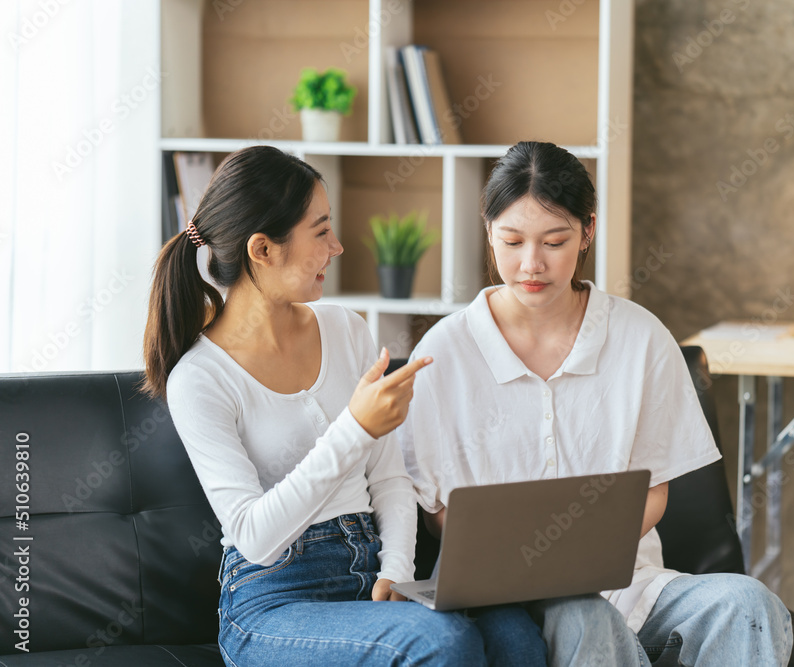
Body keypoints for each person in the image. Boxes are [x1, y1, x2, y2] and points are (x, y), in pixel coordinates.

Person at [142, 145, 546, 667]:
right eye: (320, 230)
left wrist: (396, 568)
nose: (336, 247)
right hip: (274, 597)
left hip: (368, 569)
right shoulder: (199, 377)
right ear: (263, 249)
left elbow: (389, 477)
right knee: (442, 643)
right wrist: (353, 427)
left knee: (515, 636)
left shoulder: (345, 328)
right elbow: (256, 538)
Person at [398, 140, 794, 666]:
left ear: (587, 231)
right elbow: (434, 511)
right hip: (501, 600)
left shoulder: (639, 338)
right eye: (511, 241)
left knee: (749, 605)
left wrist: (584, 554)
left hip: (634, 586)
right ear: (488, 232)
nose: (530, 264)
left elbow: (655, 489)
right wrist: (530, 560)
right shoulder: (444, 353)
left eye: (554, 241)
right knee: (585, 616)